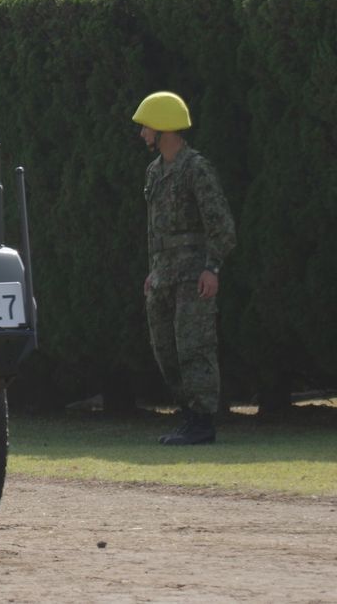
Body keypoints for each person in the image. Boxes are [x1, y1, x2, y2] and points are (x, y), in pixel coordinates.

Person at [134, 91, 236, 445]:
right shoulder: (154, 171)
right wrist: (152, 272)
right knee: (166, 349)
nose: (142, 133)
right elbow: (154, 229)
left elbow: (220, 224)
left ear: (164, 128)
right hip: (163, 276)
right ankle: (188, 416)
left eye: (146, 126)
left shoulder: (196, 169)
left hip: (193, 276)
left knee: (194, 347)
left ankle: (202, 422)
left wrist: (213, 268)